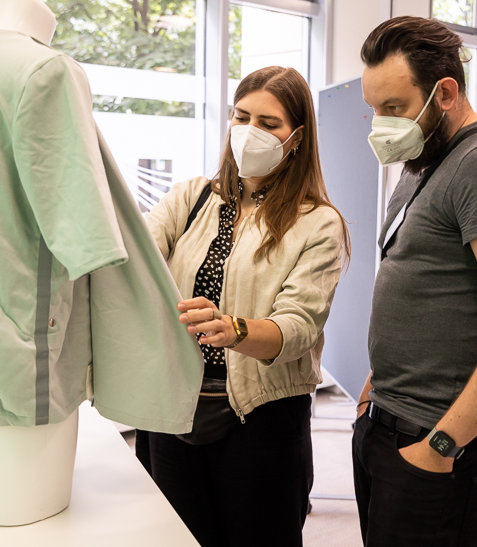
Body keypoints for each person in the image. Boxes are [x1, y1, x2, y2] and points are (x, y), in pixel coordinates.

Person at [351, 16, 477, 547]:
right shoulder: (423, 159)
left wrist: (441, 444)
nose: (381, 122)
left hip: (440, 440)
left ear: (445, 92)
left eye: (393, 107)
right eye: (374, 108)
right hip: (389, 415)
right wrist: (383, 378)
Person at [142, 66, 350, 546]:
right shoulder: (191, 198)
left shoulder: (317, 223)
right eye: (242, 116)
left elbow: (298, 328)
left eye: (270, 123)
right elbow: (136, 256)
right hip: (175, 406)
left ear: (297, 137)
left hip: (260, 417)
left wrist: (233, 328)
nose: (251, 131)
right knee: (175, 536)